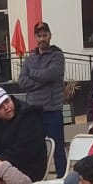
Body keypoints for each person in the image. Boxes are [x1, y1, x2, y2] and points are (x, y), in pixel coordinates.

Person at [13, 21, 67, 176]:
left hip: (52, 110)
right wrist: (42, 80)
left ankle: (61, 178)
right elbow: (22, 81)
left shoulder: (58, 55)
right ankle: (37, 178)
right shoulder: (30, 58)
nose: (42, 38)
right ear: (35, 37)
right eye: (39, 35)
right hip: (33, 111)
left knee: (57, 147)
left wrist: (33, 74)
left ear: (50, 35)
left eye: (45, 35)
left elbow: (52, 74)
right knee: (35, 147)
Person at [0, 86, 49, 181]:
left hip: (29, 167)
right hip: (4, 164)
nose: (6, 108)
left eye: (7, 101)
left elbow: (25, 151)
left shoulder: (29, 116)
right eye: (0, 107)